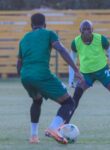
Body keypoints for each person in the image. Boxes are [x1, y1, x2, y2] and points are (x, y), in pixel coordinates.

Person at [16, 13, 84, 144]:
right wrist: (76, 70)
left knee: (37, 101)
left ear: (31, 26)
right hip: (41, 74)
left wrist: (26, 77)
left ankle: (34, 136)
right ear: (45, 25)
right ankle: (53, 128)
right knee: (69, 102)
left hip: (25, 76)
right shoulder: (49, 34)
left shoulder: (24, 39)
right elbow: (61, 50)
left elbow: (19, 65)